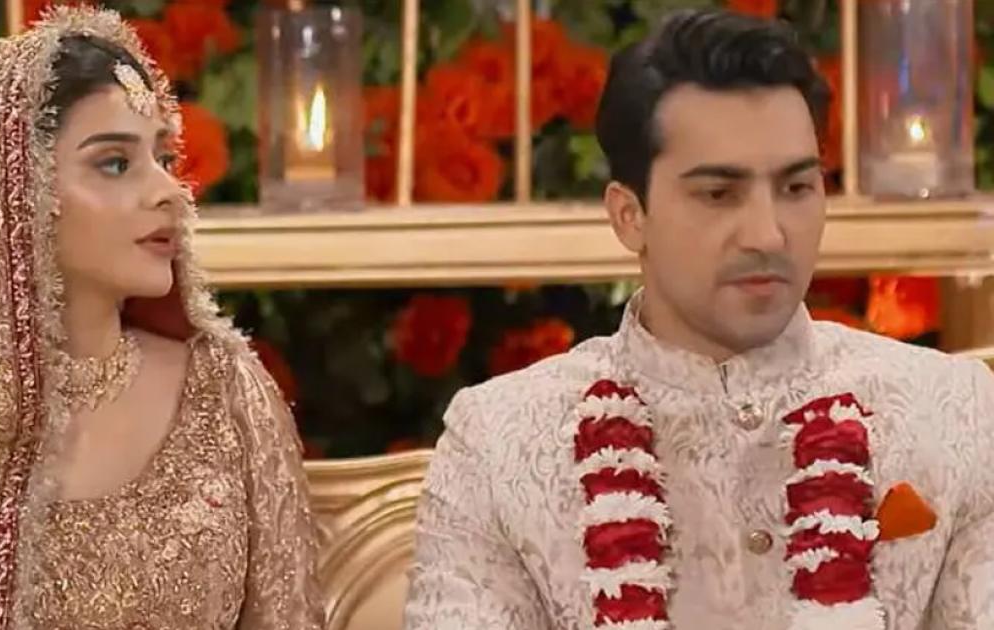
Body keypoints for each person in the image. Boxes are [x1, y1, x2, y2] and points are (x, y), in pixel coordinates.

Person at [404, 9, 994, 630]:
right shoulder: (501, 444)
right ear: (630, 216)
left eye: (796, 188)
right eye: (718, 194)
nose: (768, 234)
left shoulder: (957, 413)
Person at [0, 7, 324, 629]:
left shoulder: (225, 393)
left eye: (162, 157)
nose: (168, 191)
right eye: (115, 163)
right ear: (6, 191)